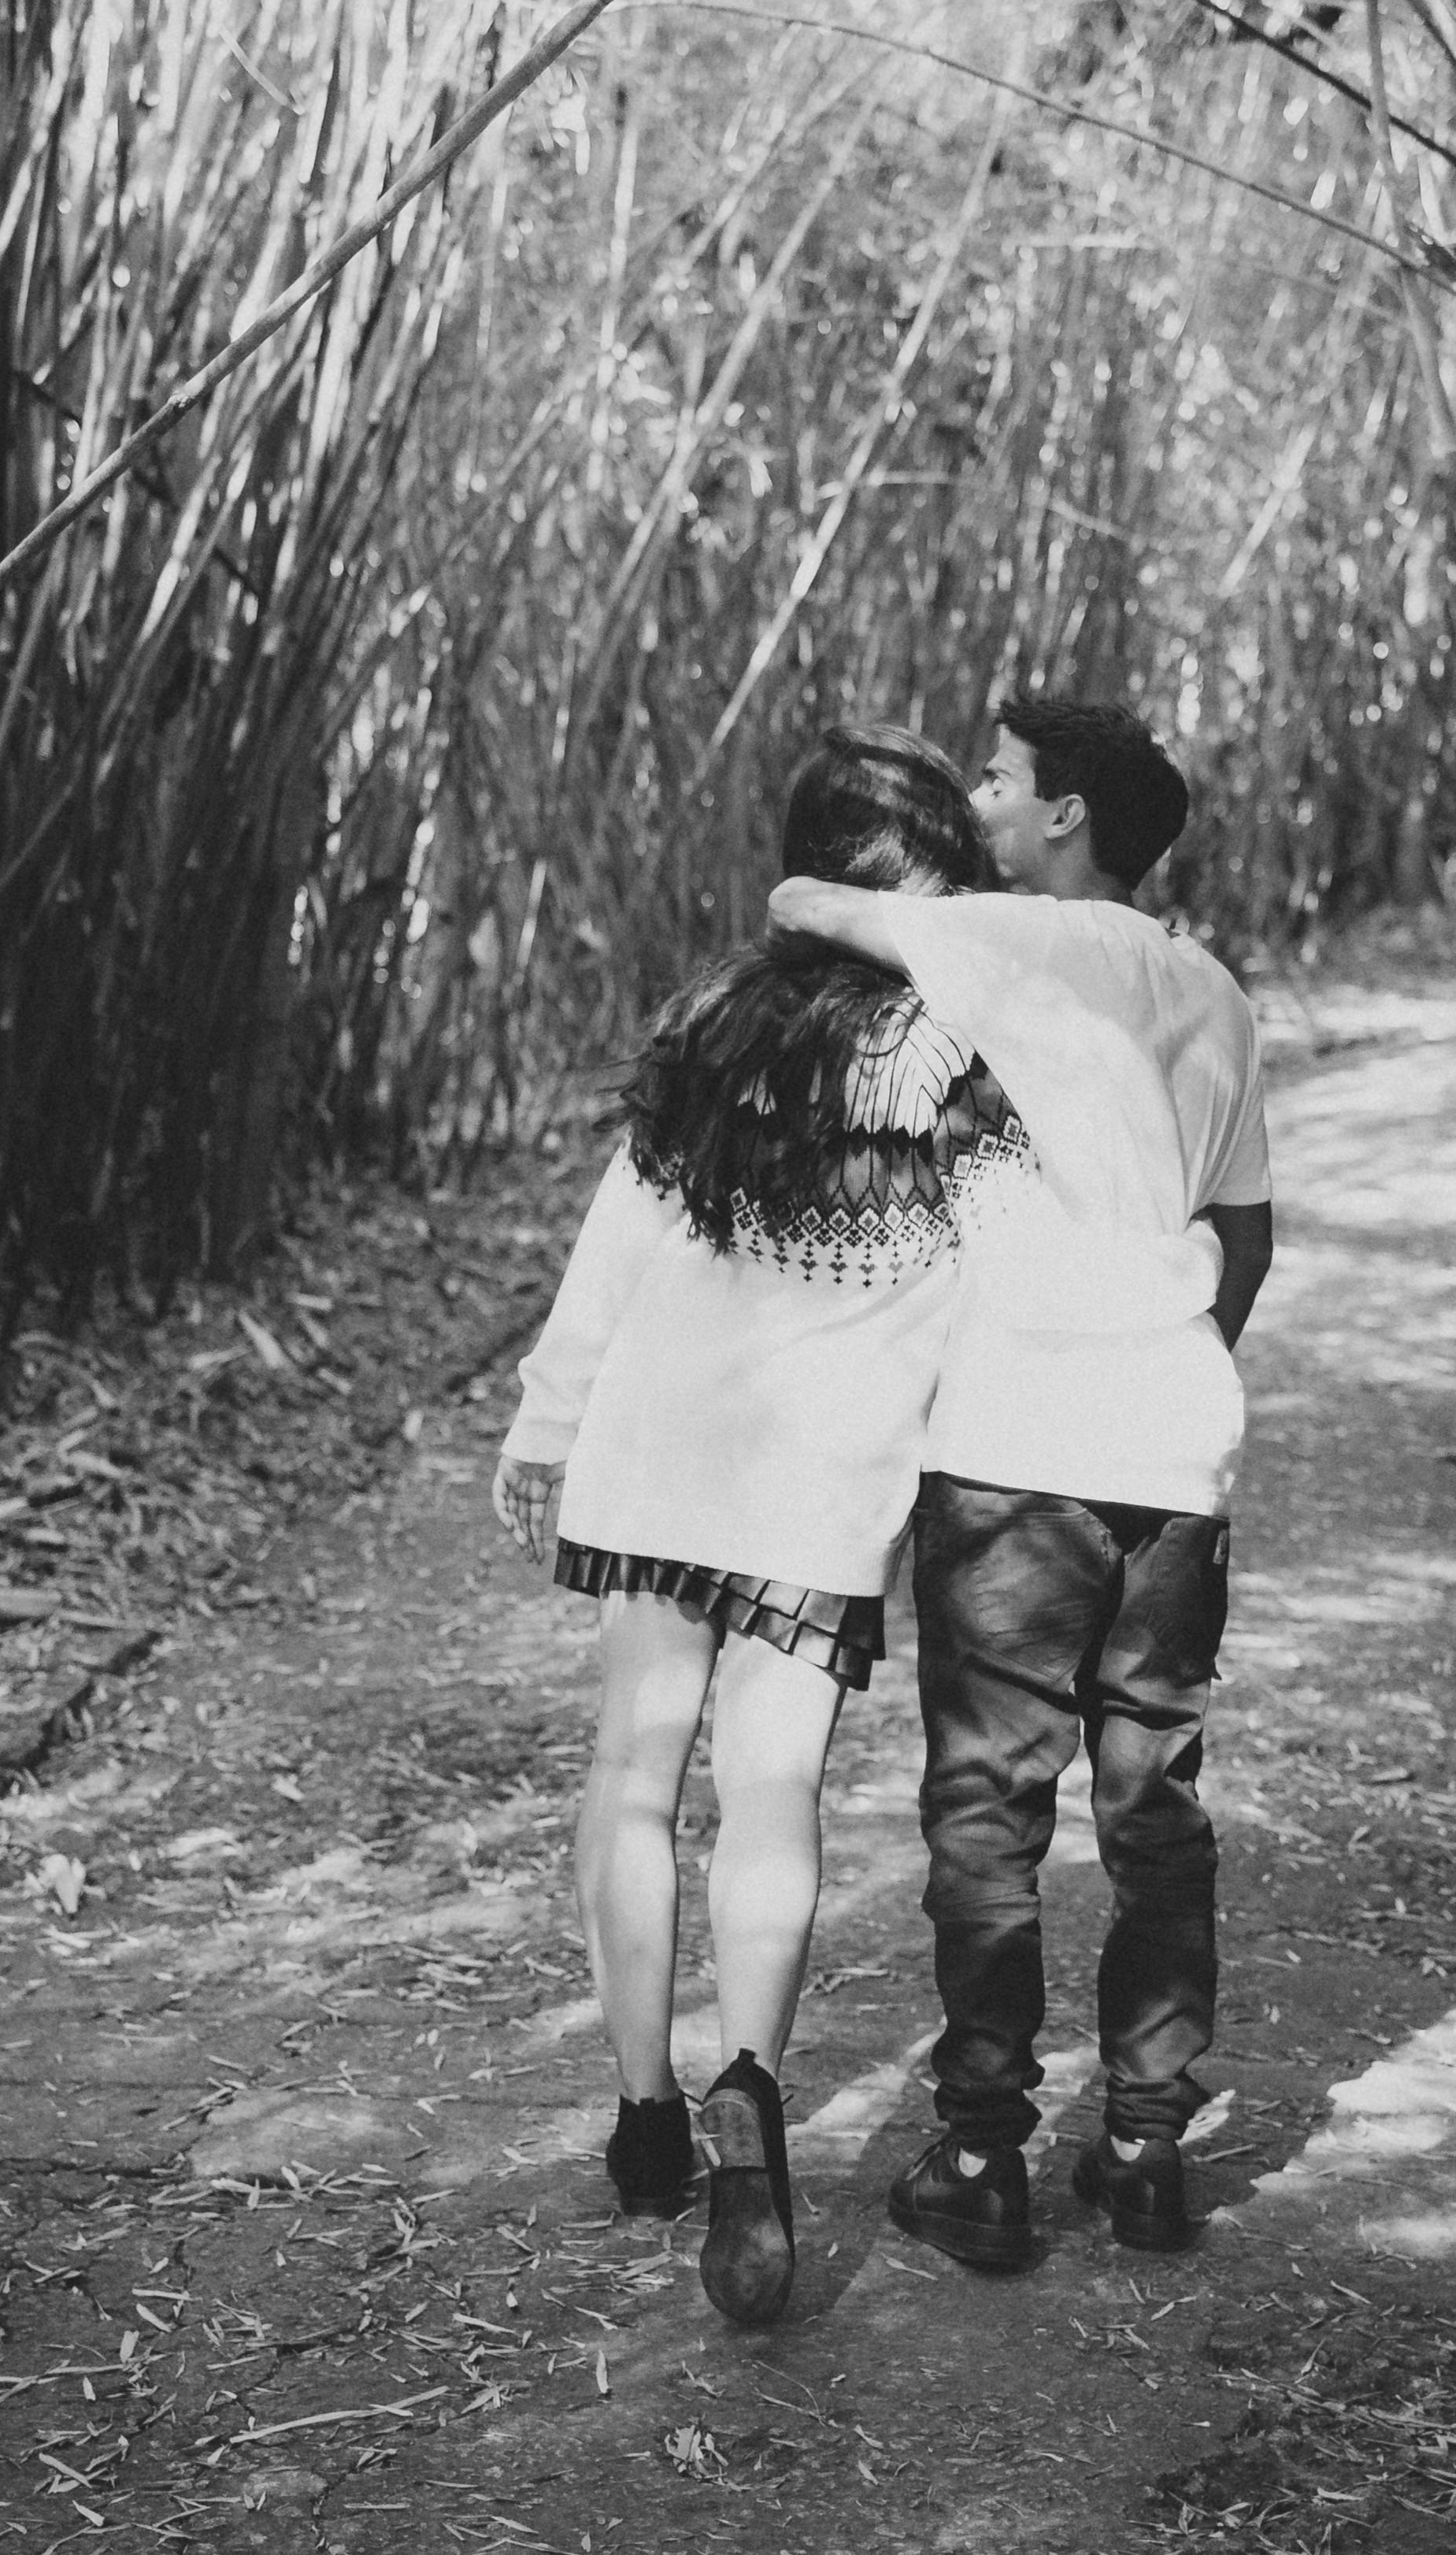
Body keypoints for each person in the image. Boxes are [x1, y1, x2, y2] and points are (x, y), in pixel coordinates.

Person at [492, 725, 1031, 2327]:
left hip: (660, 1445)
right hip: (819, 1476)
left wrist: (545, 1416)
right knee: (773, 1792)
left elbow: (617, 1239)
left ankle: (645, 2118)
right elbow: (998, 1281)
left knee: (632, 1774)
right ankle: (749, 2085)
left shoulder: (710, 1022)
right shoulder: (957, 1050)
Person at [765, 696, 1273, 2269]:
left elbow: (805, 900)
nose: (977, 802)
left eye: (996, 779)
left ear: (1064, 816)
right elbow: (1245, 1234)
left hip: (1014, 1445)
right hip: (1175, 1442)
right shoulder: (1212, 988)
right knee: (1153, 1802)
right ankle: (1143, 2144)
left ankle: (984, 2157)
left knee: (988, 1807)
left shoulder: (1010, 940)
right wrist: (1162, 1359)